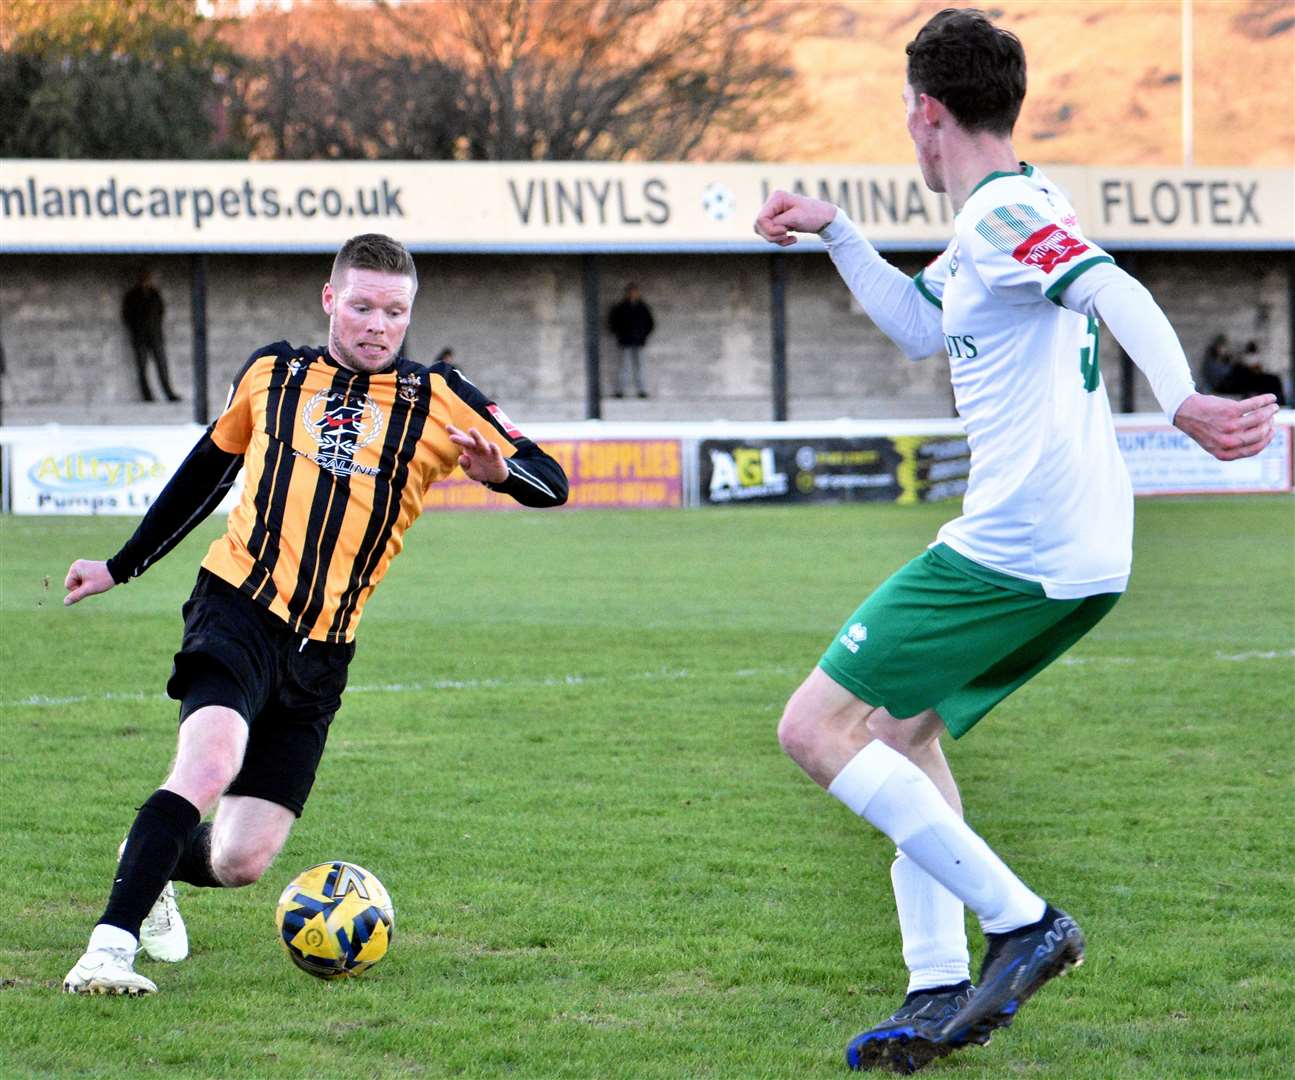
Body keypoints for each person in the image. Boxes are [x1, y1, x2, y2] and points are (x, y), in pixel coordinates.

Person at [753, 9, 1277, 1073]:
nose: (908, 133)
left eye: (907, 115)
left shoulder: (1003, 219)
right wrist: (837, 231)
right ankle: (937, 987)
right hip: (1075, 551)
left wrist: (1178, 400)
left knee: (813, 729)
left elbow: (1115, 288)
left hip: (1016, 543)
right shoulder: (1007, 214)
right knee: (899, 733)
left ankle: (1022, 922)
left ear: (927, 111)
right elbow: (917, 325)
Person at [62, 233, 568, 996]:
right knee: (207, 765)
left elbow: (551, 480)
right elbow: (207, 470)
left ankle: (154, 861)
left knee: (240, 862)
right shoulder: (274, 373)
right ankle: (107, 950)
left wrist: (502, 475)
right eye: (362, 305)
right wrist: (119, 565)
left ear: (409, 314)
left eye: (394, 311)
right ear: (331, 299)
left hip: (323, 651)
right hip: (237, 606)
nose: (377, 324)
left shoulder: (441, 398)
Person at [122, 268, 181, 403]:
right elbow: (127, 315)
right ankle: (147, 396)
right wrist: (136, 330)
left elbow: (161, 312)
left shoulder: (154, 294)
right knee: (142, 368)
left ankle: (168, 393)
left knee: (162, 365)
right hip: (140, 338)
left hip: (155, 336)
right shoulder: (132, 296)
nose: (146, 281)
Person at [608, 283, 654, 398]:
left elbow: (650, 323)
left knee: (640, 366)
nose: (633, 294)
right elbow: (613, 323)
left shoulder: (643, 307)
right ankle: (620, 391)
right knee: (625, 366)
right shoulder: (621, 307)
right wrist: (620, 334)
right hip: (626, 342)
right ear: (627, 293)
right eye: (631, 292)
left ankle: (641, 390)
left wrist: (643, 335)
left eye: (635, 292)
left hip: (639, 341)